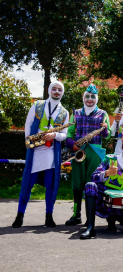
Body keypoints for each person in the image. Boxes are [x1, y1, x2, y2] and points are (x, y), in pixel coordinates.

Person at [12, 82, 69, 228]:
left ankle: (49, 216)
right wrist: (30, 144)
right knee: (27, 184)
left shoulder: (64, 112)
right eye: (54, 89)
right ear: (49, 90)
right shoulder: (37, 105)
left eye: (60, 90)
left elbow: (64, 135)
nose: (57, 92)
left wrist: (55, 134)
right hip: (35, 151)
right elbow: (28, 124)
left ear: (62, 92)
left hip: (51, 153)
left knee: (50, 185)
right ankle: (20, 215)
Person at [80, 125, 123, 239]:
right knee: (90, 186)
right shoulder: (110, 159)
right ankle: (90, 227)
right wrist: (106, 173)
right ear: (122, 148)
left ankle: (113, 220)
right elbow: (93, 177)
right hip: (102, 200)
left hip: (119, 206)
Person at [65, 84, 110, 226]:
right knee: (77, 183)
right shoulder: (75, 112)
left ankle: (91, 217)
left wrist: (104, 130)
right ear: (83, 97)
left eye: (92, 97)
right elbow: (69, 133)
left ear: (96, 98)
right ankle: (76, 214)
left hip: (95, 151)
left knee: (93, 183)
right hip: (79, 150)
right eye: (87, 97)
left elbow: (107, 136)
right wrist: (71, 143)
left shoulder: (103, 113)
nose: (90, 100)